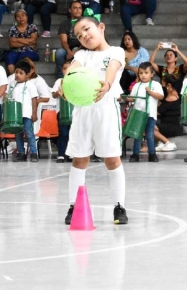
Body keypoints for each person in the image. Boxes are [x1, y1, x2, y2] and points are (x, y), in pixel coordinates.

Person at [63, 14, 128, 226]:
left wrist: (107, 86)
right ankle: (74, 206)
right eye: (79, 35)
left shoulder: (116, 51)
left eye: (87, 29)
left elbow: (112, 69)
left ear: (100, 27)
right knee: (79, 160)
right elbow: (72, 71)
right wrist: (65, 86)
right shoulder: (82, 55)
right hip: (83, 111)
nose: (84, 36)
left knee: (112, 160)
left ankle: (119, 206)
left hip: (106, 109)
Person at [127, 62, 164, 163]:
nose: (143, 75)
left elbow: (161, 96)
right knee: (137, 135)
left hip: (150, 114)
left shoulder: (155, 84)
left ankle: (152, 154)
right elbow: (132, 98)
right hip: (138, 114)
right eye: (141, 73)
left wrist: (151, 93)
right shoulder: (136, 86)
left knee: (149, 135)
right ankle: (135, 154)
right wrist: (126, 98)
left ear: (152, 74)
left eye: (146, 73)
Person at [8, 60, 38, 162]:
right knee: (18, 134)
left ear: (28, 74)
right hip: (16, 115)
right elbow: (9, 97)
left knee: (29, 133)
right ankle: (21, 153)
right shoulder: (12, 84)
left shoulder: (30, 85)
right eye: (16, 72)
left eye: (21, 73)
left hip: (27, 114)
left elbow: (34, 99)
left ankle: (34, 153)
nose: (17, 75)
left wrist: (34, 113)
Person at [154, 75, 182, 152]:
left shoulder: (171, 97)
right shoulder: (172, 94)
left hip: (173, 126)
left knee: (150, 128)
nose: (161, 85)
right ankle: (161, 142)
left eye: (163, 83)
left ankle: (168, 143)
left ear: (168, 85)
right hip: (167, 124)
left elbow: (158, 112)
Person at [6, 9, 39, 75]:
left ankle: (21, 75)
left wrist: (17, 39)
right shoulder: (12, 29)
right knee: (9, 56)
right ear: (15, 19)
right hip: (15, 51)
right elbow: (12, 44)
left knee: (23, 55)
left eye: (23, 15)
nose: (21, 18)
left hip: (30, 51)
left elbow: (33, 40)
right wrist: (28, 43)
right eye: (18, 16)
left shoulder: (32, 27)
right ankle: (13, 77)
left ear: (27, 17)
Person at [52, 60, 72, 163]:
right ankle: (61, 154)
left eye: (69, 68)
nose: (67, 70)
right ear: (62, 70)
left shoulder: (76, 81)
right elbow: (53, 95)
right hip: (62, 112)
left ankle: (71, 154)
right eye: (64, 68)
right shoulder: (59, 81)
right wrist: (58, 92)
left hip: (74, 112)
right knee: (63, 133)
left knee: (72, 133)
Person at [55, 1, 83, 77]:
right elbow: (63, 41)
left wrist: (76, 51)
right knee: (59, 53)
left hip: (82, 48)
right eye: (75, 8)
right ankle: (61, 77)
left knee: (81, 54)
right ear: (70, 10)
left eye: (80, 8)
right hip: (68, 48)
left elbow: (86, 42)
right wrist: (69, 51)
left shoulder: (85, 22)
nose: (78, 10)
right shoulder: (64, 24)